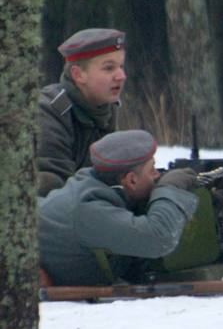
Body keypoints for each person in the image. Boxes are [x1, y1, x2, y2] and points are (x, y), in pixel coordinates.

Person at [39, 130, 199, 286]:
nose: (157, 175)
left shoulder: (94, 188)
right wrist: (170, 189)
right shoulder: (87, 210)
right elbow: (159, 239)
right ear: (131, 180)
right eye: (151, 169)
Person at [37, 28, 128, 197]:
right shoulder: (50, 111)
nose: (121, 76)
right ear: (78, 75)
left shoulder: (104, 107)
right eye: (109, 68)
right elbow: (51, 186)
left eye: (121, 66)